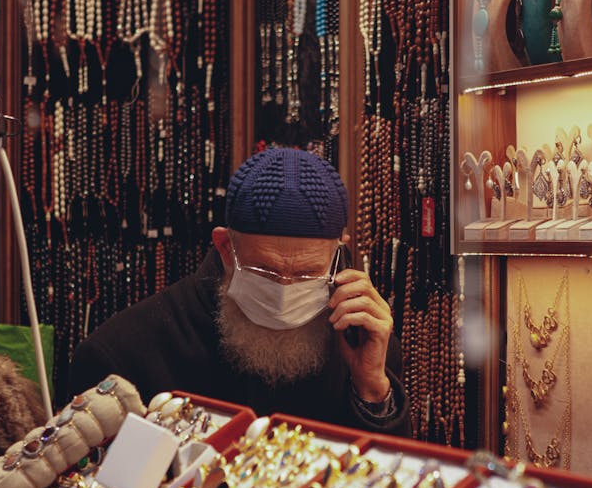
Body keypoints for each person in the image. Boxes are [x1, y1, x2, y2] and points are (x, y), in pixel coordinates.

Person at [68, 147, 411, 437]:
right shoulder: (122, 355)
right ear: (224, 247)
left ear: (338, 253)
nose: (285, 291)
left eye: (307, 274)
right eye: (266, 272)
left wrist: (372, 389)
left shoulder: (359, 337)